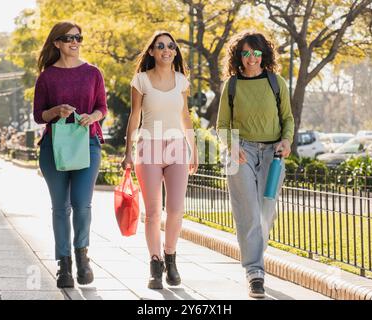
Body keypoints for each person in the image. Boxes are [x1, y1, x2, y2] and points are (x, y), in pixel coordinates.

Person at [216, 30, 295, 298]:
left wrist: (286, 141)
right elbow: (222, 126)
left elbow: (288, 119)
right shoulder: (232, 85)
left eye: (256, 53)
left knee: (266, 213)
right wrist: (233, 144)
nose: (251, 58)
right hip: (242, 152)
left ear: (264, 54)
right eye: (246, 53)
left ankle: (255, 257)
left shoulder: (276, 83)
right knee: (248, 212)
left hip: (273, 155)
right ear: (239, 56)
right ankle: (254, 272)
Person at [33, 21, 108, 288]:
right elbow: (38, 114)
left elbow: (102, 107)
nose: (74, 42)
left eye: (78, 37)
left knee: (81, 204)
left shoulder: (93, 73)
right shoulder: (46, 77)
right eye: (68, 38)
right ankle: (64, 265)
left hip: (88, 144)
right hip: (54, 148)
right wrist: (56, 111)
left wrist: (92, 116)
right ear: (57, 43)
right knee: (60, 208)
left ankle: (83, 258)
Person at [122, 31, 198, 290]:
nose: (166, 50)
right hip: (149, 148)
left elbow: (185, 116)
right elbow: (134, 117)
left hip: (177, 147)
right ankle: (155, 264)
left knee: (176, 210)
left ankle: (171, 257)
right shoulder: (141, 80)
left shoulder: (182, 81)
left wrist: (193, 149)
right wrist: (128, 151)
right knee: (153, 212)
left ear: (175, 52)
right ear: (152, 51)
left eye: (170, 46)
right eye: (160, 46)